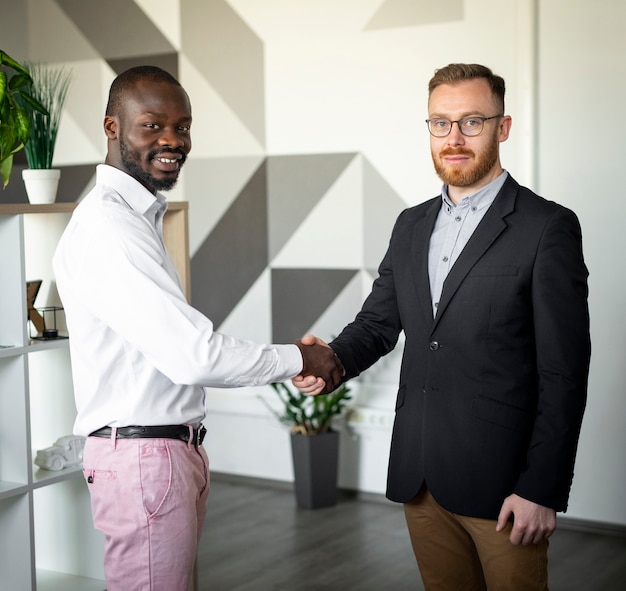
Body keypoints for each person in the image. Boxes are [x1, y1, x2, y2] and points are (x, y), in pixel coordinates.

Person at [294, 63, 590, 591]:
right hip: (420, 475)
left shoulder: (547, 227)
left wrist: (542, 488)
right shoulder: (410, 225)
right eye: (440, 123)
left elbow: (565, 371)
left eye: (472, 121)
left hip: (505, 487)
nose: (454, 138)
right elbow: (379, 323)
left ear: (503, 127)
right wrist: (332, 360)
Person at [52, 65, 342, 591]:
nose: (172, 140)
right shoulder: (110, 226)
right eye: (152, 125)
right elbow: (196, 356)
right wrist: (302, 359)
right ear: (112, 127)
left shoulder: (134, 217)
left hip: (159, 456)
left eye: (182, 127)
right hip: (144, 461)